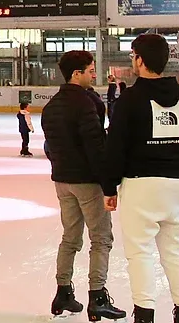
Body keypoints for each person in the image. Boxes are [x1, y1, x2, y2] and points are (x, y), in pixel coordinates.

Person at [103, 34, 179, 323]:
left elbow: (116, 146)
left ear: (141, 60)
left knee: (140, 253)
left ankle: (144, 315)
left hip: (140, 184)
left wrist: (109, 187)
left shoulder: (131, 99)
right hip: (174, 184)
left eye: (133, 55)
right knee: (174, 251)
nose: (132, 60)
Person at [40, 49, 124, 321]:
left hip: (62, 182)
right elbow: (96, 148)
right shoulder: (86, 104)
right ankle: (97, 297)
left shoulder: (51, 106)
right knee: (101, 239)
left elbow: (50, 147)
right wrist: (109, 185)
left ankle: (63, 292)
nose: (94, 75)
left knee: (70, 238)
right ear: (76, 74)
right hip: (87, 182)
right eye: (90, 71)